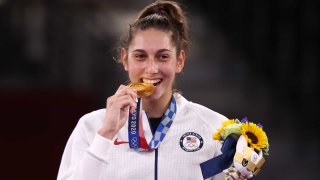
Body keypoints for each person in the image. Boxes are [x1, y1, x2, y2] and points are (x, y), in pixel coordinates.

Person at [57, 1, 228, 179]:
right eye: (140, 56)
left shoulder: (213, 127)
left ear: (180, 61)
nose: (152, 68)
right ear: (125, 59)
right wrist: (106, 133)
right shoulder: (92, 126)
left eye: (163, 57)